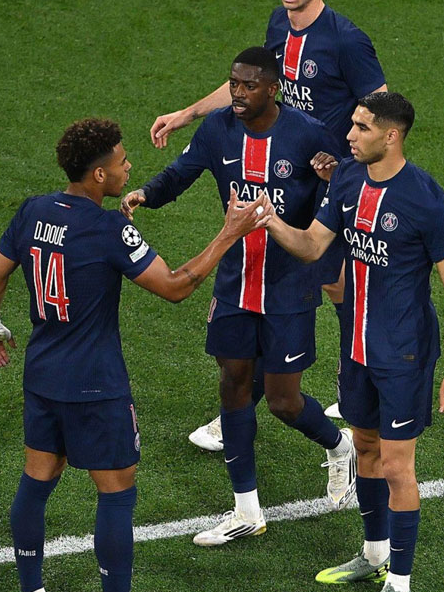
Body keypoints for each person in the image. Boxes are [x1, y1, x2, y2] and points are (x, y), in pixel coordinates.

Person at [0, 118, 266, 592]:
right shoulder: (108, 228)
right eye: (121, 161)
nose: (129, 167)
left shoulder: (34, 210)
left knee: (36, 481)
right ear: (98, 174)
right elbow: (176, 287)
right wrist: (230, 233)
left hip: (42, 376)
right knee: (116, 492)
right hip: (95, 385)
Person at [146, 0, 387, 452]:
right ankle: (242, 404)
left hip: (329, 182)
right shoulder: (279, 24)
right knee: (301, 283)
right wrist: (188, 113)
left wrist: (352, 169)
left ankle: (353, 389)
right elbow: (252, 86)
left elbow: (382, 112)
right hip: (287, 177)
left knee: (335, 281)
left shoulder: (347, 41)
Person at [120, 48, 357, 546]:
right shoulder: (218, 129)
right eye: (233, 84)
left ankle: (340, 446)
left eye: (249, 86)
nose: (238, 93)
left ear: (273, 88)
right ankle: (246, 510)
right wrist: (146, 193)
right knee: (233, 384)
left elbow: (347, 191)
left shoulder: (309, 134)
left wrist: (332, 177)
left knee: (283, 402)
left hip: (289, 288)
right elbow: (181, 172)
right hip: (235, 282)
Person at [256, 92, 444, 592]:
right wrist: (269, 220)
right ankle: (374, 554)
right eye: (352, 124)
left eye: (361, 127)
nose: (349, 135)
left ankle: (400, 585)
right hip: (355, 349)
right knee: (367, 449)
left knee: (398, 466)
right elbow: (312, 244)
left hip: (404, 354)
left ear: (391, 136)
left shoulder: (427, 200)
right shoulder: (349, 178)